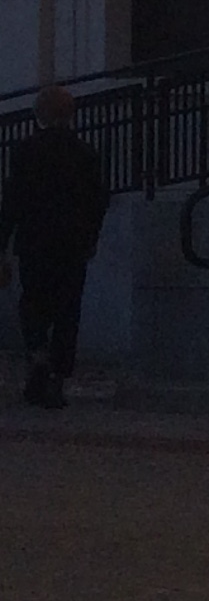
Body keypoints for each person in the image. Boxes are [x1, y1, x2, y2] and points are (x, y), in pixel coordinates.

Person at [2, 87, 110, 409]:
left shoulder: (25, 150)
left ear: (39, 114)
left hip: (34, 241)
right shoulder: (85, 153)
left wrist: (3, 240)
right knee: (67, 309)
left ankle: (38, 353)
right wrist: (91, 237)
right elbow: (97, 200)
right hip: (72, 243)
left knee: (33, 302)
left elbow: (13, 199)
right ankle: (58, 378)